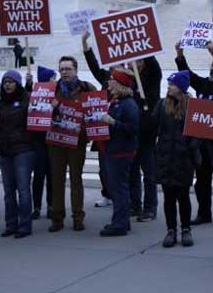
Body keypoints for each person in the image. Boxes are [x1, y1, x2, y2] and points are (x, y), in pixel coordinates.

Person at [82, 31, 162, 222]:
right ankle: (135, 206)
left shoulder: (151, 80)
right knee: (133, 174)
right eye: (136, 61)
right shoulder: (121, 82)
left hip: (147, 136)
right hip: (129, 137)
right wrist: (86, 45)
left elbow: (152, 64)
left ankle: (150, 208)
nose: (138, 63)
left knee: (149, 174)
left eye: (141, 61)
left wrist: (139, 43)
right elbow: (96, 69)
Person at [175, 41, 213, 226]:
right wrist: (180, 54)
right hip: (202, 142)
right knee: (201, 180)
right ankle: (203, 213)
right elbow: (188, 76)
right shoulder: (204, 85)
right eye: (211, 67)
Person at [48, 56, 96, 232]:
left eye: (68, 69)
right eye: (62, 69)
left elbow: (95, 112)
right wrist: (51, 107)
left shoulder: (86, 88)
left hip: (78, 141)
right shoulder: (51, 90)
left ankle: (78, 217)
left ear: (76, 70)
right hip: (56, 142)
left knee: (76, 180)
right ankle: (57, 218)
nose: (65, 72)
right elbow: (38, 113)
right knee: (57, 180)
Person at [154, 71, 197, 248]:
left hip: (184, 158)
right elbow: (154, 126)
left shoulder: (192, 106)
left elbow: (198, 133)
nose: (169, 86)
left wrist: (188, 148)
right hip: (165, 157)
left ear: (181, 87)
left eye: (172, 84)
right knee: (168, 197)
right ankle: (171, 230)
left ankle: (186, 229)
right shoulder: (162, 104)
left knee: (183, 195)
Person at [0, 70, 35, 238]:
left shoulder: (27, 100)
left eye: (11, 82)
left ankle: (25, 225)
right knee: (8, 191)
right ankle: (11, 224)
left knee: (23, 190)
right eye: (5, 82)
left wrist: (30, 84)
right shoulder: (2, 103)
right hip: (4, 151)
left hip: (23, 150)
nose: (8, 85)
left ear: (17, 83)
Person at [98, 70, 139, 237]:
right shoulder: (117, 101)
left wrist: (113, 122)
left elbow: (132, 129)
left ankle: (119, 224)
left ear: (119, 84)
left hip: (120, 152)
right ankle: (122, 221)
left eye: (112, 80)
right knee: (117, 188)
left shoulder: (129, 104)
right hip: (114, 149)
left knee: (118, 189)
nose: (108, 83)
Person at [27, 65, 55, 220]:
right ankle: (36, 207)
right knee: (38, 177)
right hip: (38, 142)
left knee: (52, 176)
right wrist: (27, 85)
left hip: (53, 141)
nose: (55, 80)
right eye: (52, 77)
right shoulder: (34, 95)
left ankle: (51, 206)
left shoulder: (57, 95)